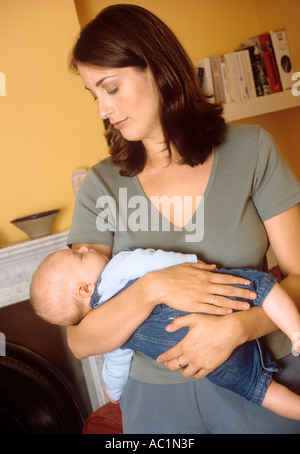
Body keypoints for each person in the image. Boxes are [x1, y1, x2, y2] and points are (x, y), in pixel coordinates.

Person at [66, 4, 300, 433]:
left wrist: (238, 329)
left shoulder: (252, 150)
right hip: (155, 404)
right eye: (93, 94)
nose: (102, 109)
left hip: (262, 376)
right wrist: (153, 287)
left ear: (156, 68)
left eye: (110, 88)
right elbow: (82, 340)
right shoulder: (102, 184)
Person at [31, 246, 300, 420]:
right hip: (217, 304)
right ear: (84, 289)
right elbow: (149, 260)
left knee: (259, 391)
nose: (84, 247)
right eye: (79, 255)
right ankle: (296, 332)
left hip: (214, 364)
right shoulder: (116, 268)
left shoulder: (109, 327)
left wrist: (112, 392)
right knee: (262, 286)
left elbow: (115, 366)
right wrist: (188, 263)